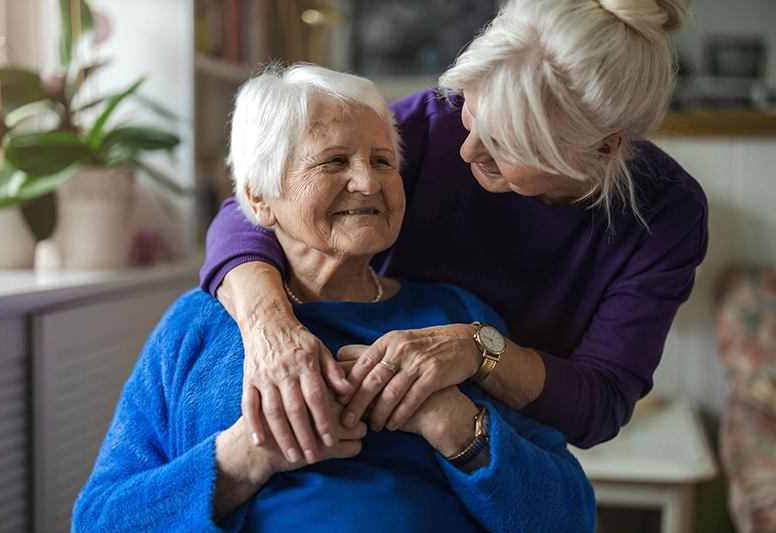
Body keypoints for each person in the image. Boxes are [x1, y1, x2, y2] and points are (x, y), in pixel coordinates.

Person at [72, 64, 595, 532]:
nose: (368, 182)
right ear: (258, 196)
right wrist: (248, 455)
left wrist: (452, 421)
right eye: (333, 161)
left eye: (384, 161)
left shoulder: (460, 320)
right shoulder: (196, 326)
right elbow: (99, 521)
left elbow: (571, 516)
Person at [200, 0, 707, 466]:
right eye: (471, 112)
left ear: (603, 149)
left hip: (498, 440)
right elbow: (250, 207)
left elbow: (601, 404)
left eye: (505, 144)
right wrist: (271, 330)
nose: (467, 152)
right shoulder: (432, 122)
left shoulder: (665, 214)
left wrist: (481, 350)